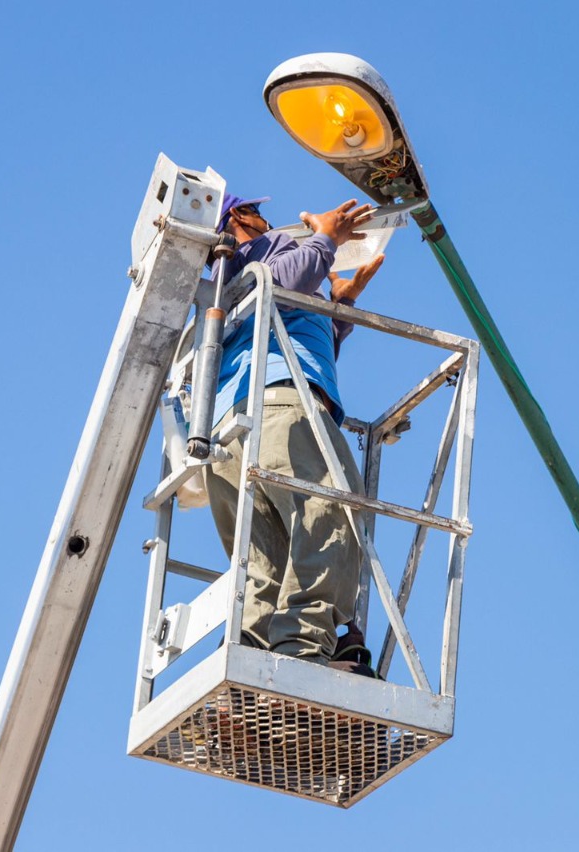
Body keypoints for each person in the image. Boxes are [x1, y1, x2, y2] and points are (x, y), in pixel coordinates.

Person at [202, 192, 384, 676]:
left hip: (231, 426)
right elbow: (285, 279)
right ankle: (301, 655)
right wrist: (325, 236)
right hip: (281, 405)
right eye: (256, 212)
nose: (266, 218)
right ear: (237, 217)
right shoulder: (256, 257)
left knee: (267, 560)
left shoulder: (224, 289)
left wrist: (338, 309)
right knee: (329, 519)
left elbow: (296, 328)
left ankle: (249, 668)